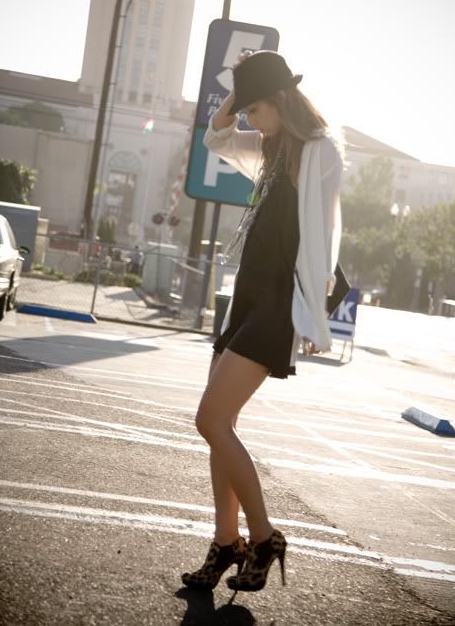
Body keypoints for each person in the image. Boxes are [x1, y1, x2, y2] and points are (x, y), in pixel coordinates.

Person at [181, 50, 343, 595]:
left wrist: (314, 317)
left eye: (255, 108)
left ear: (280, 100)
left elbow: (322, 237)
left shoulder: (319, 151)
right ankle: (226, 542)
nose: (248, 118)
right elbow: (216, 136)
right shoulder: (270, 148)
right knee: (219, 425)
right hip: (247, 295)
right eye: (247, 109)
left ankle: (264, 536)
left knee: (210, 419)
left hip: (277, 302)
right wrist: (239, 84)